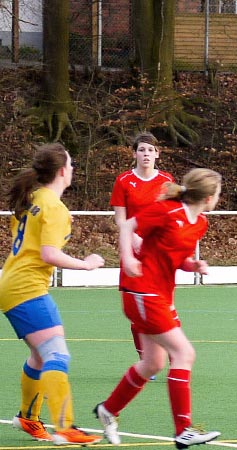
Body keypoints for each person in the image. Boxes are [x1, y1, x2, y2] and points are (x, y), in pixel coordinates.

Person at [95, 168, 222, 448]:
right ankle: (183, 430)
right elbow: (127, 226)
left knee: (153, 363)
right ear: (209, 197)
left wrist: (193, 265)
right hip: (142, 291)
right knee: (184, 353)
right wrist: (128, 258)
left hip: (160, 294)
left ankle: (108, 410)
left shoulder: (200, 223)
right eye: (218, 195)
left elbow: (176, 257)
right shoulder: (167, 211)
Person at [1, 143, 105, 445]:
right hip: (27, 287)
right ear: (61, 171)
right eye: (70, 164)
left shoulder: (33, 198)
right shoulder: (54, 207)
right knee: (56, 354)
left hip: (12, 283)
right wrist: (86, 264)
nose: (73, 169)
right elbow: (49, 254)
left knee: (39, 355)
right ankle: (65, 426)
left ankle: (28, 418)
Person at [110, 132, 174, 370]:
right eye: (142, 150)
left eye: (150, 150)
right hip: (133, 251)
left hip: (158, 251)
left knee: (163, 304)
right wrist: (133, 237)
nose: (146, 154)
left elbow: (172, 213)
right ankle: (145, 358)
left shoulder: (167, 180)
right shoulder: (124, 181)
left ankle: (171, 353)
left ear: (157, 154)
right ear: (134, 153)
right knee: (137, 308)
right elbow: (120, 218)